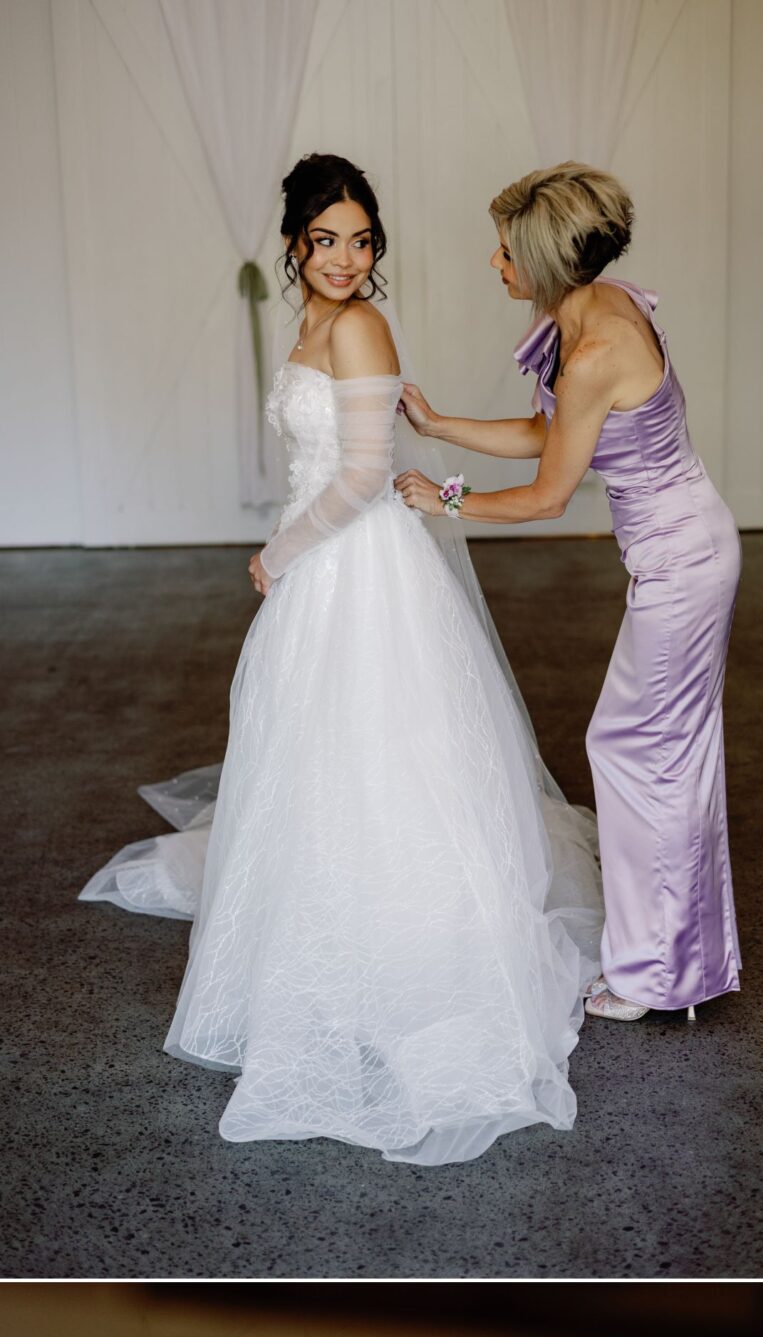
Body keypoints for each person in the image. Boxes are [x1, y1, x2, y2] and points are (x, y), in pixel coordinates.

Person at [79, 154, 603, 1164]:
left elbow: (366, 472)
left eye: (362, 240)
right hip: (322, 556)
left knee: (378, 747)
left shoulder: (361, 324)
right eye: (327, 240)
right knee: (313, 751)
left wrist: (279, 550)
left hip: (354, 565)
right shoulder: (313, 320)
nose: (346, 259)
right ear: (294, 244)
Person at [398, 161, 742, 1024]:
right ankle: (676, 962)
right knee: (663, 755)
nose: (494, 262)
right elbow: (553, 435)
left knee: (636, 753)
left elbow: (552, 492)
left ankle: (649, 977)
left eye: (506, 249)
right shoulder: (600, 305)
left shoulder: (592, 349)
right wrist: (442, 427)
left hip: (682, 566)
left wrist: (443, 499)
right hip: (687, 548)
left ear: (546, 260)